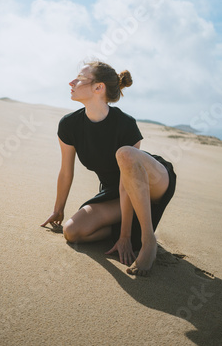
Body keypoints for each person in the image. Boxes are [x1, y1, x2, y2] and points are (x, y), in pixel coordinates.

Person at [41, 60, 176, 276]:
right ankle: (128, 230)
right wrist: (58, 209)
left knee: (126, 154)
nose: (71, 82)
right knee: (72, 231)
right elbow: (66, 171)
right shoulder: (69, 125)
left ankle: (148, 240)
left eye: (80, 78)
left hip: (152, 183)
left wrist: (125, 237)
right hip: (116, 193)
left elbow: (127, 183)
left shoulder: (125, 124)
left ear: (98, 87)